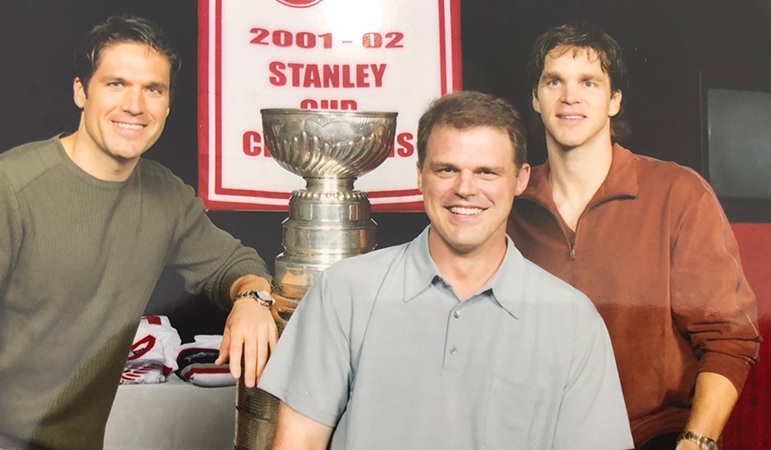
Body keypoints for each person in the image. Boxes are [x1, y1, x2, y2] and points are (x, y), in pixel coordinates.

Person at [259, 91, 634, 450]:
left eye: (487, 172)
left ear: (520, 179)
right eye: (447, 169)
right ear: (420, 174)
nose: (465, 189)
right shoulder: (343, 293)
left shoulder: (572, 320)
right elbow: (297, 443)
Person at [0, 15, 278, 450]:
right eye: (116, 84)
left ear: (168, 104)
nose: (135, 105)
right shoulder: (4, 189)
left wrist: (252, 297)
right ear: (81, 91)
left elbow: (233, 265)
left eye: (153, 89)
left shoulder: (165, 197)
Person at [508, 22, 761, 450]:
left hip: (651, 436)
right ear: (536, 98)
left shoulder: (678, 192)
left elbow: (729, 338)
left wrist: (696, 443)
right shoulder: (509, 202)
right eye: (555, 81)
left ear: (614, 100)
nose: (570, 96)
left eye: (589, 82)